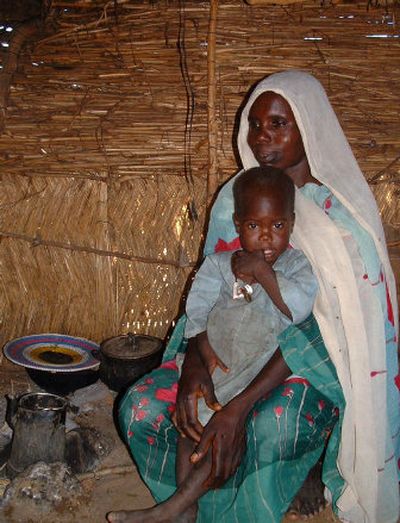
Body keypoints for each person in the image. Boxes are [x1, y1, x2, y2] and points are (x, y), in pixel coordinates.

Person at [107, 70, 399, 523]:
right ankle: (187, 507)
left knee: (272, 425)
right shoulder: (235, 199)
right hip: (227, 350)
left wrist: (238, 409)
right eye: (256, 124)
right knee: (144, 408)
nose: (263, 137)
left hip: (308, 363)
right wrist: (194, 364)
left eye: (280, 123)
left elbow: (340, 331)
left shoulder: (339, 214)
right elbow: (211, 291)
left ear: (310, 127)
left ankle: (312, 464)